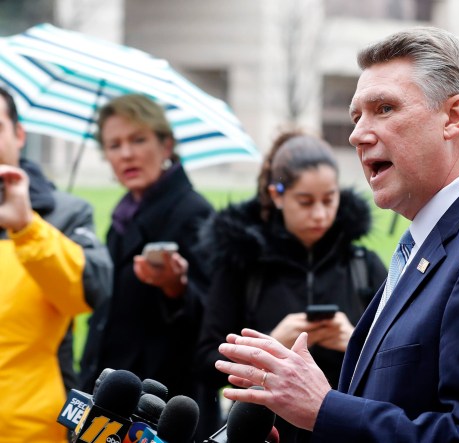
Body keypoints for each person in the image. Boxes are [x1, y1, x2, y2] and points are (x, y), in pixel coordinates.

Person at [214, 27, 459, 442]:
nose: (357, 134)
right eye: (356, 116)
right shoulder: (444, 234)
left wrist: (324, 409)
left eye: (384, 108)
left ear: (454, 117)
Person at [195, 130, 387, 442]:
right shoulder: (241, 264)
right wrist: (270, 346)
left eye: (329, 199)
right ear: (277, 195)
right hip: (264, 432)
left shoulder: (363, 264)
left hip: (344, 431)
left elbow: (399, 359)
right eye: (306, 201)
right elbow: (205, 362)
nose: (320, 214)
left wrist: (354, 341)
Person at [79, 94, 213, 402]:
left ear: (166, 145)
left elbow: (214, 319)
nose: (126, 154)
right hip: (110, 391)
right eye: (114, 145)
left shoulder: (194, 213)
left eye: (138, 140)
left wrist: (176, 289)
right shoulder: (121, 216)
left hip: (161, 403)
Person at [0, 87, 111, 442]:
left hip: (31, 428)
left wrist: (27, 228)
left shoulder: (65, 214)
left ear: (19, 135)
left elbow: (90, 292)